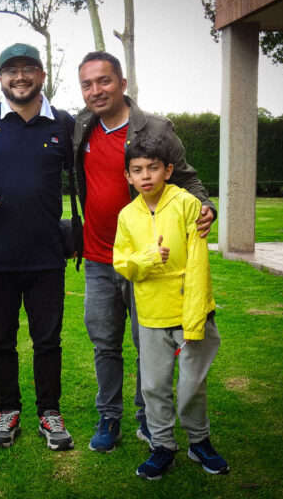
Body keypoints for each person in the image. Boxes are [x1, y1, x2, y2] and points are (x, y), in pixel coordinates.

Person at [72, 51, 216, 453]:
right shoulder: (81, 127)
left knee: (146, 343)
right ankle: (109, 415)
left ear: (122, 83)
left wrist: (206, 208)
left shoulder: (155, 129)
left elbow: (188, 178)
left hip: (152, 263)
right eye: (87, 84)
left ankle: (147, 418)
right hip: (100, 258)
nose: (95, 90)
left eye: (103, 81)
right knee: (104, 343)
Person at [0, 43, 75, 451]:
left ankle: (50, 412)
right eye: (10, 70)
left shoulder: (62, 124)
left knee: (48, 341)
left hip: (47, 255)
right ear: (0, 77)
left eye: (29, 68)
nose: (20, 77)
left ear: (42, 76)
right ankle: (7, 411)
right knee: (1, 341)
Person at [113, 132, 228, 479]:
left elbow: (197, 266)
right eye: (137, 169)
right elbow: (123, 263)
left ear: (168, 170)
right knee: (153, 386)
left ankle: (199, 441)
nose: (145, 176)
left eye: (153, 168)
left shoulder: (186, 204)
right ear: (128, 176)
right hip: (150, 316)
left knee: (193, 384)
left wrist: (194, 321)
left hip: (191, 314)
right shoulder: (127, 216)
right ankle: (162, 445)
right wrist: (148, 258)